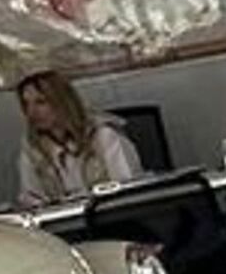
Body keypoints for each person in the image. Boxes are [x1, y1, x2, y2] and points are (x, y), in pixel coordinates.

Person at [9, 71, 146, 209]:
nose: (31, 112)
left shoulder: (104, 137)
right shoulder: (32, 150)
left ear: (63, 102)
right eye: (26, 104)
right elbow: (32, 201)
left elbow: (129, 191)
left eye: (41, 102)